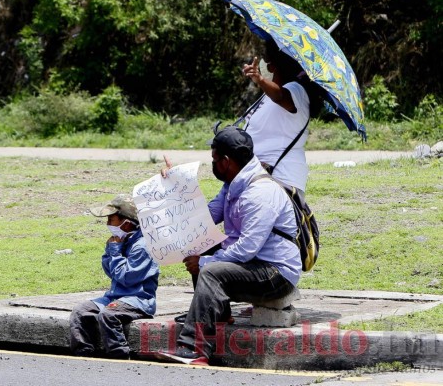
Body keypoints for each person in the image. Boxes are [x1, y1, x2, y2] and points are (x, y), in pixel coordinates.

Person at [157, 126, 301, 366]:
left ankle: (194, 347)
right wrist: (177, 186)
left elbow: (246, 249)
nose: (212, 164)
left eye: (213, 159)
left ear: (225, 161)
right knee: (202, 243)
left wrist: (204, 263)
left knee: (211, 270)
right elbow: (205, 219)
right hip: (255, 265)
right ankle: (217, 313)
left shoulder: (260, 193)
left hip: (276, 274)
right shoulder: (234, 184)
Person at [69, 194, 159, 359]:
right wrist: (111, 249)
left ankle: (119, 356)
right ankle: (83, 353)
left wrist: (115, 251)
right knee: (80, 311)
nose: (108, 224)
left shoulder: (142, 247)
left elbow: (125, 277)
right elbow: (110, 271)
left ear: (126, 223)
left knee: (108, 315)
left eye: (112, 220)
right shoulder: (121, 241)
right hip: (115, 297)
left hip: (137, 300)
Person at [241, 39, 323, 197]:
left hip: (280, 179)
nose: (263, 63)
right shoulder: (268, 96)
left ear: (273, 66)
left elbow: (279, 96)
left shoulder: (296, 90)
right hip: (258, 176)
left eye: (266, 60)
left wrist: (260, 79)